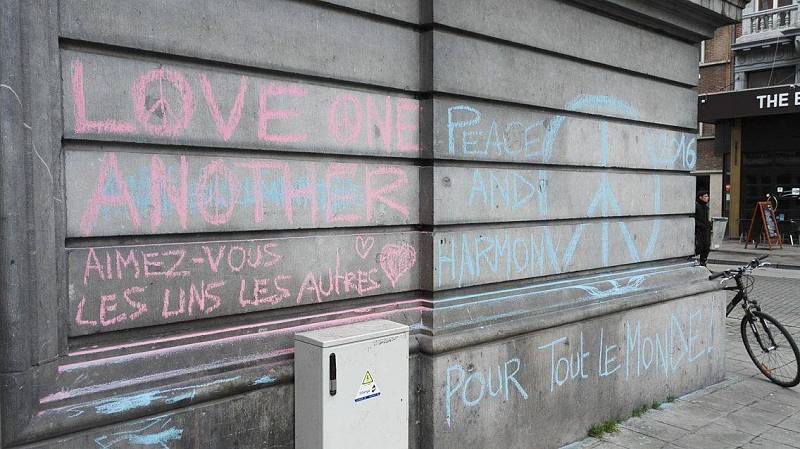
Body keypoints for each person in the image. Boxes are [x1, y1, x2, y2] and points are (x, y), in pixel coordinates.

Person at [695, 190, 711, 266]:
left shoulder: (706, 207)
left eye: (707, 196)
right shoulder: (697, 206)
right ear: (700, 197)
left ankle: (703, 262)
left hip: (706, 230)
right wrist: (700, 225)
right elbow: (694, 219)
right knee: (699, 247)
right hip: (699, 230)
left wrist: (709, 224)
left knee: (707, 246)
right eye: (705, 196)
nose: (707, 198)